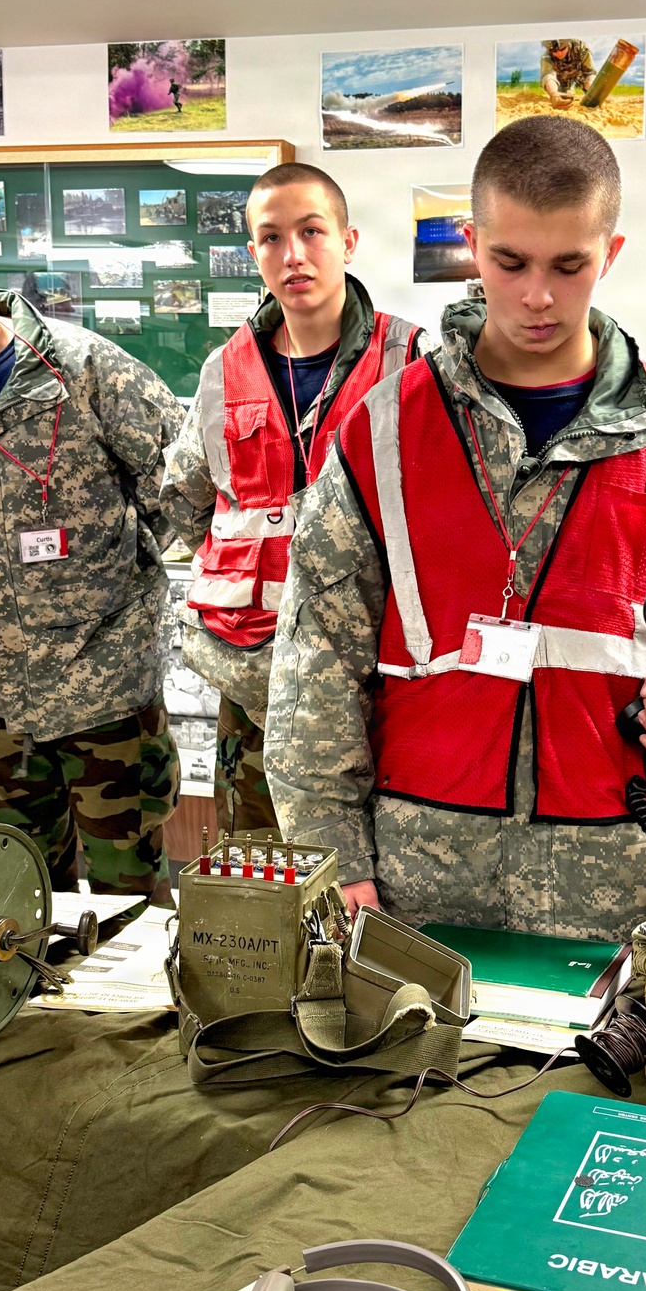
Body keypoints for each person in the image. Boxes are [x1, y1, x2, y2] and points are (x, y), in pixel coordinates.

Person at [264, 116, 646, 939]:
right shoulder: (385, 431)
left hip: (629, 870)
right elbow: (315, 667)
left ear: (610, 253)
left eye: (569, 265)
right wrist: (335, 858)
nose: (538, 296)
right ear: (472, 243)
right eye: (510, 262)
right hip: (424, 869)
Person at [160, 162, 425, 837]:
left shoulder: (413, 363)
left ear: (349, 240)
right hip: (255, 684)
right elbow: (188, 503)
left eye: (312, 231)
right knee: (256, 873)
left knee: (366, 879)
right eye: (272, 238)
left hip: (372, 682)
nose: (294, 255)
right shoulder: (225, 370)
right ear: (252, 253)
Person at [0, 287, 182, 903]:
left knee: (127, 900)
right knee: (9, 903)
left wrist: (100, 579)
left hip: (104, 687)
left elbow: (179, 492)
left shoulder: (85, 370)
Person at [540, 40, 596, 107]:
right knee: (565, 98)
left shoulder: (581, 48)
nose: (559, 54)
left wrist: (593, 89)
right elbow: (548, 76)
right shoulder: (547, 57)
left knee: (593, 93)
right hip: (561, 78)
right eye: (554, 51)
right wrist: (553, 93)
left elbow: (590, 72)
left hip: (580, 72)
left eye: (562, 49)